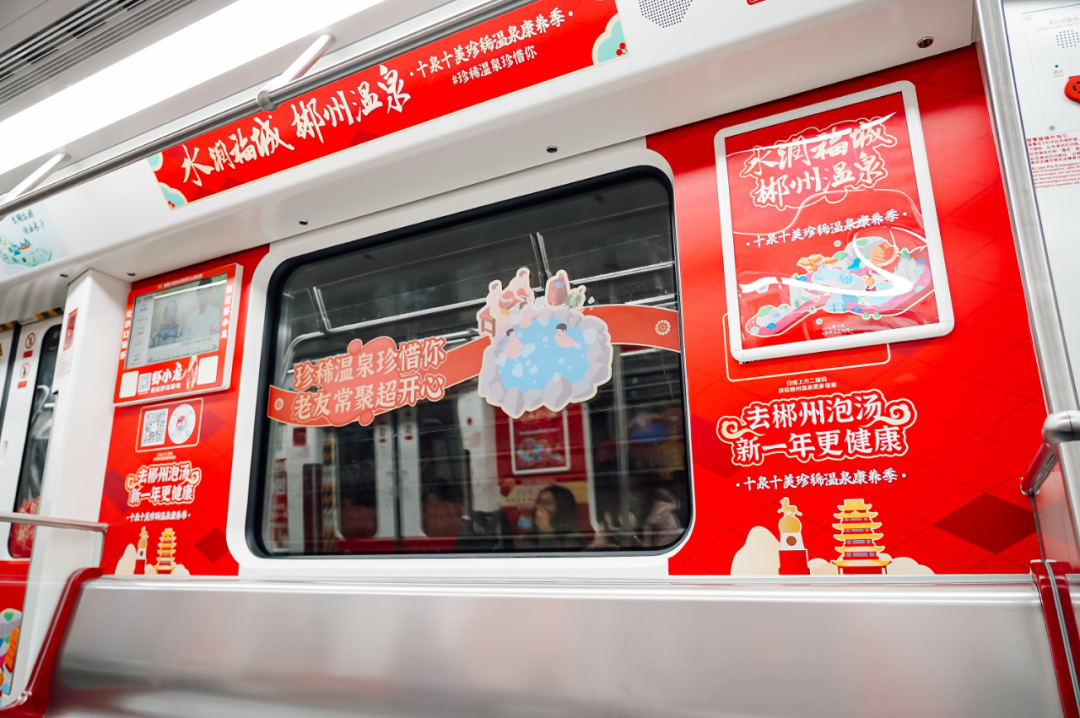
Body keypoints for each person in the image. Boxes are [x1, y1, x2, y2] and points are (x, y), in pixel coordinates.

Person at [516, 484, 585, 551]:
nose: (539, 507)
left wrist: (546, 530)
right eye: (538, 502)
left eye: (546, 503)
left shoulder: (573, 538)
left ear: (562, 508)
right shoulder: (527, 537)